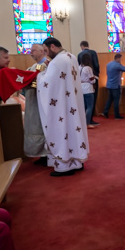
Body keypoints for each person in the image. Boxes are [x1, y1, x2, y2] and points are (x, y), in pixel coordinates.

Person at [37, 37, 89, 177]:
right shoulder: (71, 56)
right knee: (73, 130)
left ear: (53, 46)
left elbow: (48, 85)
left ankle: (65, 165)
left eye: (47, 50)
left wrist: (40, 75)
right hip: (72, 103)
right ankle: (77, 162)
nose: (47, 54)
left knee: (62, 131)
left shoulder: (57, 61)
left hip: (61, 106)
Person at [24, 43, 48, 166]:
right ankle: (40, 154)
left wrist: (30, 83)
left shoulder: (47, 65)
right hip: (32, 101)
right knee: (34, 126)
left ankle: (47, 155)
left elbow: (44, 83)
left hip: (42, 102)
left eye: (33, 50)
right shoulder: (33, 66)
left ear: (42, 51)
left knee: (42, 127)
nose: (31, 52)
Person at [102, 53, 125, 119]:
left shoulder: (109, 64)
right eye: (121, 59)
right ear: (118, 58)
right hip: (115, 85)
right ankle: (117, 115)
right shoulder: (117, 65)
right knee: (116, 100)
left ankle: (105, 111)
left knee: (110, 99)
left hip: (109, 85)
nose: (121, 60)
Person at [78, 41, 100, 126]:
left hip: (81, 86)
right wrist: (96, 76)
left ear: (81, 46)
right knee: (91, 104)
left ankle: (83, 121)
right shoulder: (89, 67)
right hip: (88, 86)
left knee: (84, 105)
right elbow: (96, 66)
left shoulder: (79, 66)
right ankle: (89, 121)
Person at [79, 53, 97, 129]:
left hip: (81, 88)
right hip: (88, 89)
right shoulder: (88, 68)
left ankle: (82, 123)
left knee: (84, 107)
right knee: (90, 107)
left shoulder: (79, 67)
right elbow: (91, 80)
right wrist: (95, 80)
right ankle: (87, 123)